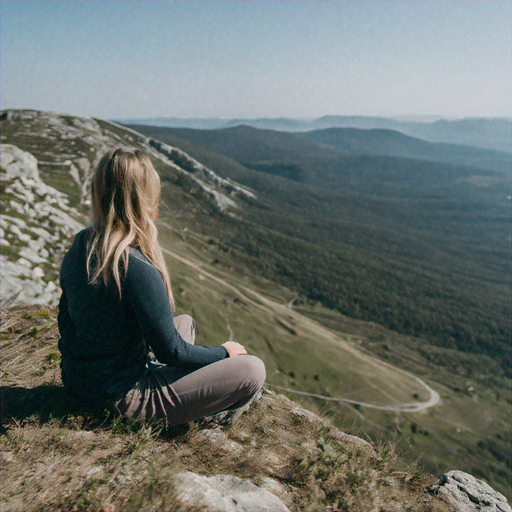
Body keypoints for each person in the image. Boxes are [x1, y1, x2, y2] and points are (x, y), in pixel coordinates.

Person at [57, 147, 266, 427]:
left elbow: (66, 321)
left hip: (80, 382)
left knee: (184, 323)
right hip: (122, 397)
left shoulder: (81, 245)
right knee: (252, 368)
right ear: (146, 199)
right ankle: (197, 409)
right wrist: (225, 352)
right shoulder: (136, 267)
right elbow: (172, 352)